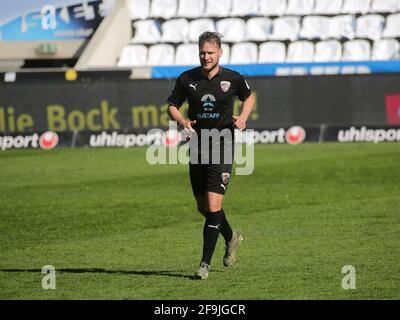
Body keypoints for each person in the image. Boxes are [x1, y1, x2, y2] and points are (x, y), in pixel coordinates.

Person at [167, 31, 255, 280]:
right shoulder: (187, 78)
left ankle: (204, 264)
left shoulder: (234, 79)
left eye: (210, 52)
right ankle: (232, 237)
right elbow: (172, 105)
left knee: (214, 205)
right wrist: (182, 119)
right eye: (202, 52)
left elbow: (249, 98)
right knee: (204, 208)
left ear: (220, 53)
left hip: (223, 146)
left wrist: (244, 117)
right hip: (197, 147)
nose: (206, 56)